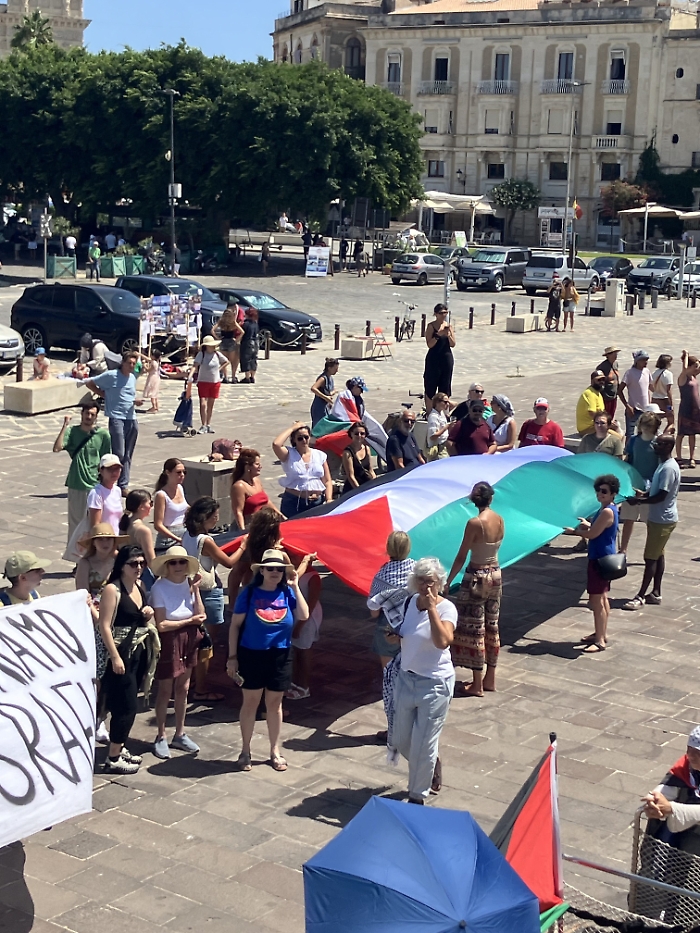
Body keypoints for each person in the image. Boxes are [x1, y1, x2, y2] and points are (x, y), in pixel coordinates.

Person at [227, 549, 310, 772]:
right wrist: (232, 657)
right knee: (251, 704)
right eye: (270, 568)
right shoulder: (249, 593)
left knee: (275, 704)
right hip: (251, 654)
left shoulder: (287, 592)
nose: (275, 572)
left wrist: (294, 585)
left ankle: (274, 750)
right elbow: (235, 626)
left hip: (281, 656)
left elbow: (304, 615)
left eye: (279, 569)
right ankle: (245, 750)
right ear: (261, 570)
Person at [391, 558, 457, 804]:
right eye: (421, 580)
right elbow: (407, 634)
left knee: (423, 744)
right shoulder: (409, 602)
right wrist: (393, 636)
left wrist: (431, 610)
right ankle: (431, 762)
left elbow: (443, 641)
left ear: (439, 583)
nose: (425, 586)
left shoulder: (446, 608)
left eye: (431, 581)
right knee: (399, 739)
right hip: (407, 679)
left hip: (435, 684)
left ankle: (417, 794)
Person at [181, 497, 248, 701]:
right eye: (214, 517)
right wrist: (243, 546)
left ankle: (191, 680)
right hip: (209, 592)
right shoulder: (206, 540)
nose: (217, 521)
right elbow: (228, 563)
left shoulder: (187, 535)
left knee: (195, 640)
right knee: (206, 644)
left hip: (192, 590)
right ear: (204, 518)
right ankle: (201, 688)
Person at [98, 546, 159, 774]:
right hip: (121, 652)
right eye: (133, 564)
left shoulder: (140, 586)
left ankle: (119, 746)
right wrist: (115, 656)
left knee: (130, 701)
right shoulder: (112, 590)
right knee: (126, 706)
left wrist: (147, 612)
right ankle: (113, 757)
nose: (139, 568)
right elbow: (104, 625)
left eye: (142, 563)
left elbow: (138, 615)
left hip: (138, 651)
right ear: (122, 566)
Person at [447, 482, 504, 696]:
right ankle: (490, 678)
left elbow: (462, 555)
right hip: (496, 575)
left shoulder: (475, 523)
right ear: (491, 498)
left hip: (477, 578)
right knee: (492, 625)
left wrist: (449, 579)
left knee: (475, 629)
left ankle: (477, 683)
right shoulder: (499, 519)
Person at [150, 546, 205, 759]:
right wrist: (189, 621)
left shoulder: (188, 585)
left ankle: (180, 733)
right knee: (165, 689)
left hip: (189, 637)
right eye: (173, 562)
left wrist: (197, 590)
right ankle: (161, 735)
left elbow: (200, 615)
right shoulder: (159, 588)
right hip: (170, 639)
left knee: (183, 687)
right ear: (166, 566)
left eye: (182, 562)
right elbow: (162, 624)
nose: (178, 566)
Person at [563, 473, 621, 652]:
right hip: (605, 558)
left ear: (613, 493)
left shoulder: (606, 511)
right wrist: (589, 524)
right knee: (602, 598)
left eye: (604, 491)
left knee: (596, 601)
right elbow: (599, 529)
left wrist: (574, 532)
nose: (600, 494)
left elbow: (593, 535)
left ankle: (600, 641)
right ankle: (600, 633)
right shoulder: (608, 508)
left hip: (599, 559)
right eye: (598, 490)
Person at [623, 434, 680, 610]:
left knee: (650, 558)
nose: (655, 445)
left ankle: (640, 596)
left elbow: (662, 496)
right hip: (658, 518)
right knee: (659, 554)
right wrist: (643, 494)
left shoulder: (668, 468)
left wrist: (639, 502)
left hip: (662, 519)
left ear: (669, 447)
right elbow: (656, 492)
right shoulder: (662, 465)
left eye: (659, 444)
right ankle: (656, 592)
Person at [53, 401, 112, 560]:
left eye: (93, 414)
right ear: (82, 414)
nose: (89, 417)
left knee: (96, 523)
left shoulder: (103, 435)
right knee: (76, 524)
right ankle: (77, 559)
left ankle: (94, 555)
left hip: (95, 484)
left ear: (97, 416)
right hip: (77, 483)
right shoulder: (72, 432)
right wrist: (65, 425)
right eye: (87, 413)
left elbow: (107, 460)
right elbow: (57, 448)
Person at [83, 351, 140, 491]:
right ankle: (107, 478)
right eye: (129, 363)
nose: (132, 366)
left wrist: (135, 402)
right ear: (123, 363)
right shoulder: (112, 375)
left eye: (134, 363)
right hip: (117, 417)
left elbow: (126, 396)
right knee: (118, 453)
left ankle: (123, 484)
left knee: (127, 454)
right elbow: (90, 383)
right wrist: (104, 394)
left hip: (131, 417)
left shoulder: (132, 377)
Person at [619, 412, 662, 554]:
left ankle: (653, 550)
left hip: (650, 488)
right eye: (643, 424)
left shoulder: (657, 443)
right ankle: (623, 549)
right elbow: (628, 460)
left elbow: (660, 467)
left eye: (649, 425)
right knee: (628, 519)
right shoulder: (633, 441)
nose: (645, 428)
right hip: (633, 484)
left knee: (650, 521)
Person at [272, 422, 333, 517]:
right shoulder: (288, 454)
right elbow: (276, 444)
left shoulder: (319, 455)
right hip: (293, 502)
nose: (304, 440)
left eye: (306, 437)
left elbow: (327, 480)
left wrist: (329, 498)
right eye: (300, 438)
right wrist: (292, 428)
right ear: (294, 440)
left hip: (317, 502)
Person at [286, 554, 320, 700]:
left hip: (308, 618)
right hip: (295, 614)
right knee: (296, 650)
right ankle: (295, 683)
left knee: (304, 649)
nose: (293, 559)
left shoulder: (313, 576)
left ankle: (304, 686)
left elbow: (311, 603)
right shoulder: (292, 574)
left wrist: (300, 625)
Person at [230, 448, 280, 530]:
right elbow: (238, 511)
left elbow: (267, 502)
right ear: (247, 467)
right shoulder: (239, 486)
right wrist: (242, 532)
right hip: (248, 526)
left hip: (261, 525)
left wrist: (281, 516)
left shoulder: (257, 481)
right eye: (257, 464)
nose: (260, 467)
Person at [119, 489, 157, 588]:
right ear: (141, 507)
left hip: (125, 571)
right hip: (141, 574)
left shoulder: (125, 523)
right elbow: (151, 561)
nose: (151, 506)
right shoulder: (143, 530)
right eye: (150, 503)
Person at [192, 335, 228, 434]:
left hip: (215, 382)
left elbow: (226, 362)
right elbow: (195, 365)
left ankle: (208, 424)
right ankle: (203, 424)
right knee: (203, 404)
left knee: (210, 405)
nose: (211, 347)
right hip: (203, 381)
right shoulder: (201, 354)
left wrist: (220, 370)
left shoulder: (217, 354)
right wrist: (190, 376)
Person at [423, 305, 455, 413]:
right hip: (434, 359)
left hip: (446, 358)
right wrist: (438, 335)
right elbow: (429, 344)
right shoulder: (431, 326)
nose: (444, 315)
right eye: (441, 313)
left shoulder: (448, 326)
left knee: (445, 386)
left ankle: (444, 412)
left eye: (445, 313)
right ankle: (429, 412)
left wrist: (448, 335)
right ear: (436, 314)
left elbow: (453, 344)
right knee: (430, 387)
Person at [153, 458, 189, 554]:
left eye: (184, 472)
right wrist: (177, 538)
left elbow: (184, 508)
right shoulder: (161, 495)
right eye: (178, 472)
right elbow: (158, 525)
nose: (182, 475)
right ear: (168, 473)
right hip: (167, 539)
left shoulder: (180, 488)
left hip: (183, 532)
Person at [619, 350, 652, 438]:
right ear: (637, 361)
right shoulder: (630, 373)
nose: (645, 362)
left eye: (646, 360)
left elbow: (651, 388)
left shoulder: (647, 371)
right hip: (633, 410)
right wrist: (627, 406)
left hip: (645, 410)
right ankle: (627, 451)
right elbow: (619, 390)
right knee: (630, 435)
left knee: (644, 434)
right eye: (643, 360)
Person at [676, 350, 700, 467]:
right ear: (689, 366)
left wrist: (697, 362)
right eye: (695, 366)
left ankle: (692, 457)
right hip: (685, 408)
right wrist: (686, 356)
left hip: (695, 410)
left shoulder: (693, 376)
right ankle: (679, 457)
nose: (697, 368)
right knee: (681, 434)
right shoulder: (683, 377)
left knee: (692, 434)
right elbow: (685, 368)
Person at [213, 305, 244, 384]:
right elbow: (242, 332)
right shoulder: (233, 322)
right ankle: (233, 377)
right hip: (231, 342)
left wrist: (217, 338)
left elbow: (212, 330)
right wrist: (237, 340)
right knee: (233, 361)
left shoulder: (221, 322)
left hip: (223, 342)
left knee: (224, 361)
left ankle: (225, 377)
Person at [342, 424, 376, 491]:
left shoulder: (367, 449)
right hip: (353, 487)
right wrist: (359, 491)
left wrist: (375, 484)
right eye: (356, 433)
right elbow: (351, 476)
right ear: (351, 434)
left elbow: (371, 470)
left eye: (362, 433)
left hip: (366, 484)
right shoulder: (347, 452)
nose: (359, 436)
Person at [576, 370, 607, 436]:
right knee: (615, 437)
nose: (602, 382)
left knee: (616, 429)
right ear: (592, 381)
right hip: (587, 428)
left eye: (603, 379)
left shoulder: (598, 393)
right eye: (599, 380)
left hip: (596, 425)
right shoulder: (590, 393)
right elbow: (592, 413)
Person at [310, 358, 339, 426]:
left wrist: (333, 392)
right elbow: (313, 388)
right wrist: (325, 397)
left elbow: (327, 392)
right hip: (319, 407)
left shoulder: (330, 378)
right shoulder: (323, 378)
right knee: (319, 427)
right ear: (329, 368)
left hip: (326, 407)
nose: (337, 371)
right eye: (335, 369)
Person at [650, 354, 674, 432]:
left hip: (655, 400)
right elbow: (668, 390)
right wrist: (671, 404)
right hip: (665, 400)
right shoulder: (668, 374)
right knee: (671, 422)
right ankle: (665, 437)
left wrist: (656, 391)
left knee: (655, 422)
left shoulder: (654, 373)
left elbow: (650, 386)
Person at [598, 346, 621, 420]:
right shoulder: (602, 367)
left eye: (616, 353)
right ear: (607, 355)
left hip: (614, 395)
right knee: (605, 416)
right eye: (612, 353)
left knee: (611, 415)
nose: (615, 355)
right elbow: (599, 382)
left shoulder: (615, 364)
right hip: (606, 396)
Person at [425, 392, 451, 461]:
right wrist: (446, 427)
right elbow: (433, 436)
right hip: (438, 449)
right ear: (437, 402)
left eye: (448, 402)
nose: (447, 404)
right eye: (445, 402)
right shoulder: (433, 417)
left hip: (444, 446)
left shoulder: (442, 413)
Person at [239, 307, 259, 384]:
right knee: (253, 359)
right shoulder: (255, 324)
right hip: (256, 342)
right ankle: (252, 377)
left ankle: (247, 377)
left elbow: (243, 333)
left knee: (246, 359)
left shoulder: (245, 324)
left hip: (247, 342)